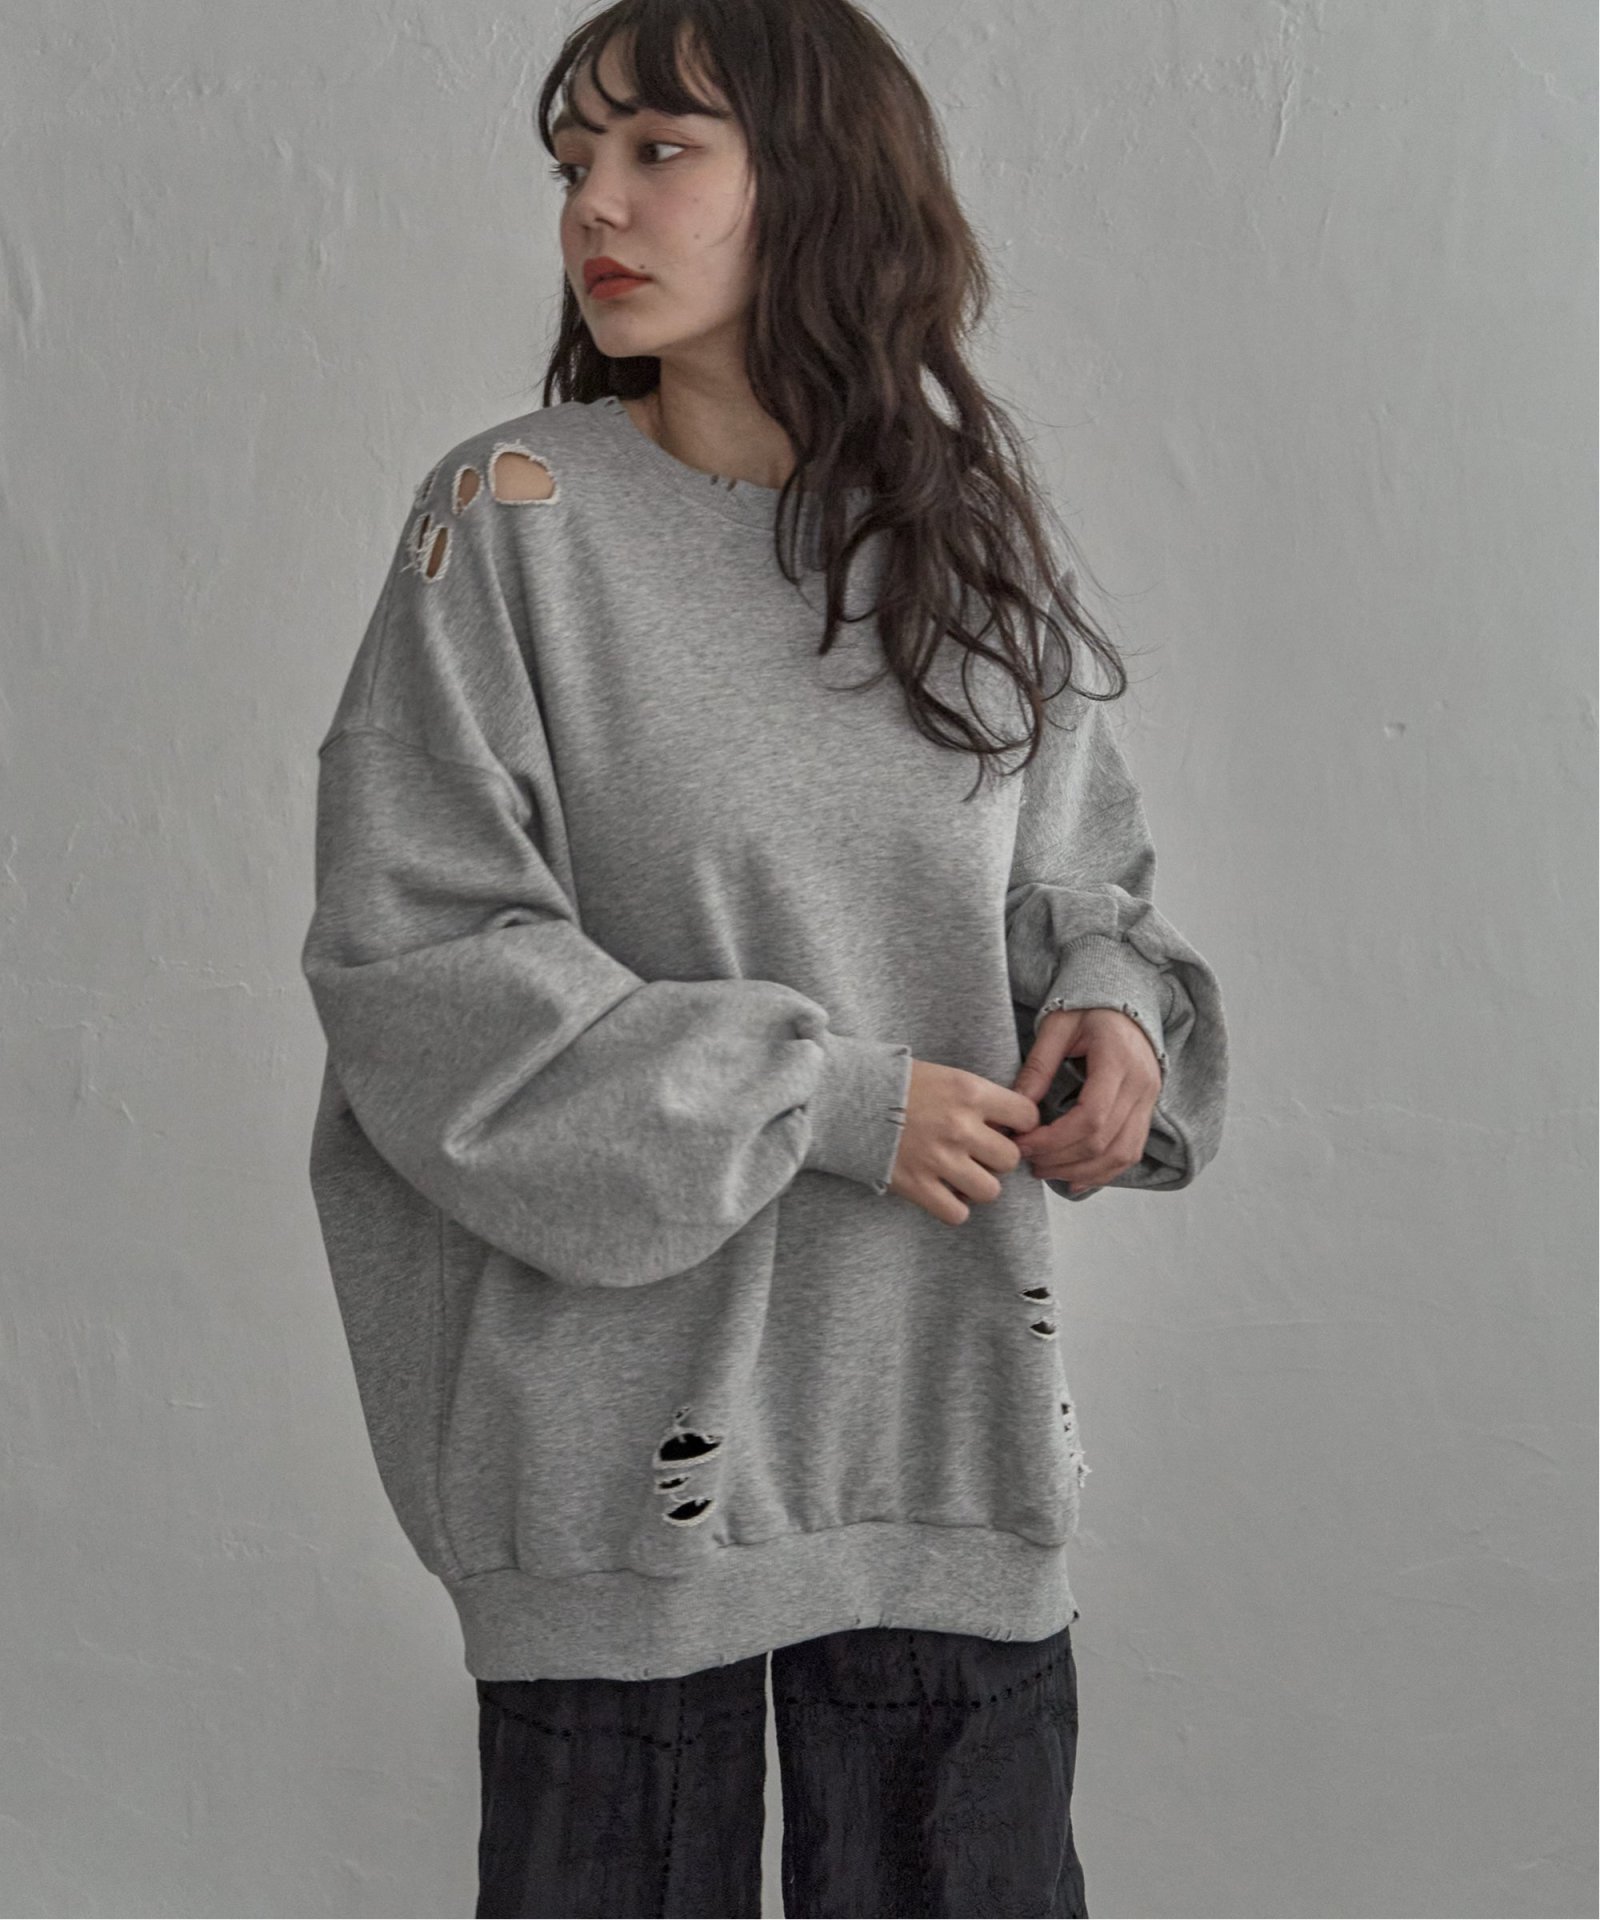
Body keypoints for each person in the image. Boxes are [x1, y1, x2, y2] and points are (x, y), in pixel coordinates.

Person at [299, 2, 1230, 1913]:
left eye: (659, 151)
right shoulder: (513, 521)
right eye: (576, 163)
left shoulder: (964, 540)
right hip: (617, 1452)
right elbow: (421, 958)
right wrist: (834, 1102)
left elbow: (1081, 876)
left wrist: (1113, 1010)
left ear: (814, 181)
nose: (595, 207)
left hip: (937, 1423)